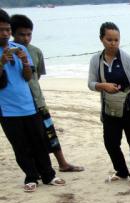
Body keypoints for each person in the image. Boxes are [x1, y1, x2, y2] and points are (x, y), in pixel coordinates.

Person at [0, 9, 65, 192]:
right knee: (20, 146)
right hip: (7, 109)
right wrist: (2, 62)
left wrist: (25, 62)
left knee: (39, 142)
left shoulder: (20, 49)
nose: (5, 34)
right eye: (1, 30)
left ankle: (48, 175)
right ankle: (31, 176)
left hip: (29, 105)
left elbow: (28, 77)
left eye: (7, 30)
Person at [10, 14, 84, 173]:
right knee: (30, 137)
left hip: (38, 100)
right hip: (20, 104)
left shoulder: (36, 52)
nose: (26, 38)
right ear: (12, 33)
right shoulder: (8, 53)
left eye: (29, 34)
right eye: (21, 34)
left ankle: (63, 163)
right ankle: (36, 169)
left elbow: (38, 76)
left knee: (50, 132)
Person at [88, 22, 130, 186]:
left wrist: (125, 94)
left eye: (116, 40)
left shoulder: (128, 59)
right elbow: (91, 83)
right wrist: (103, 86)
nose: (113, 43)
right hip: (110, 109)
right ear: (101, 39)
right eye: (109, 40)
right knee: (110, 142)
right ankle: (121, 171)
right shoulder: (96, 60)